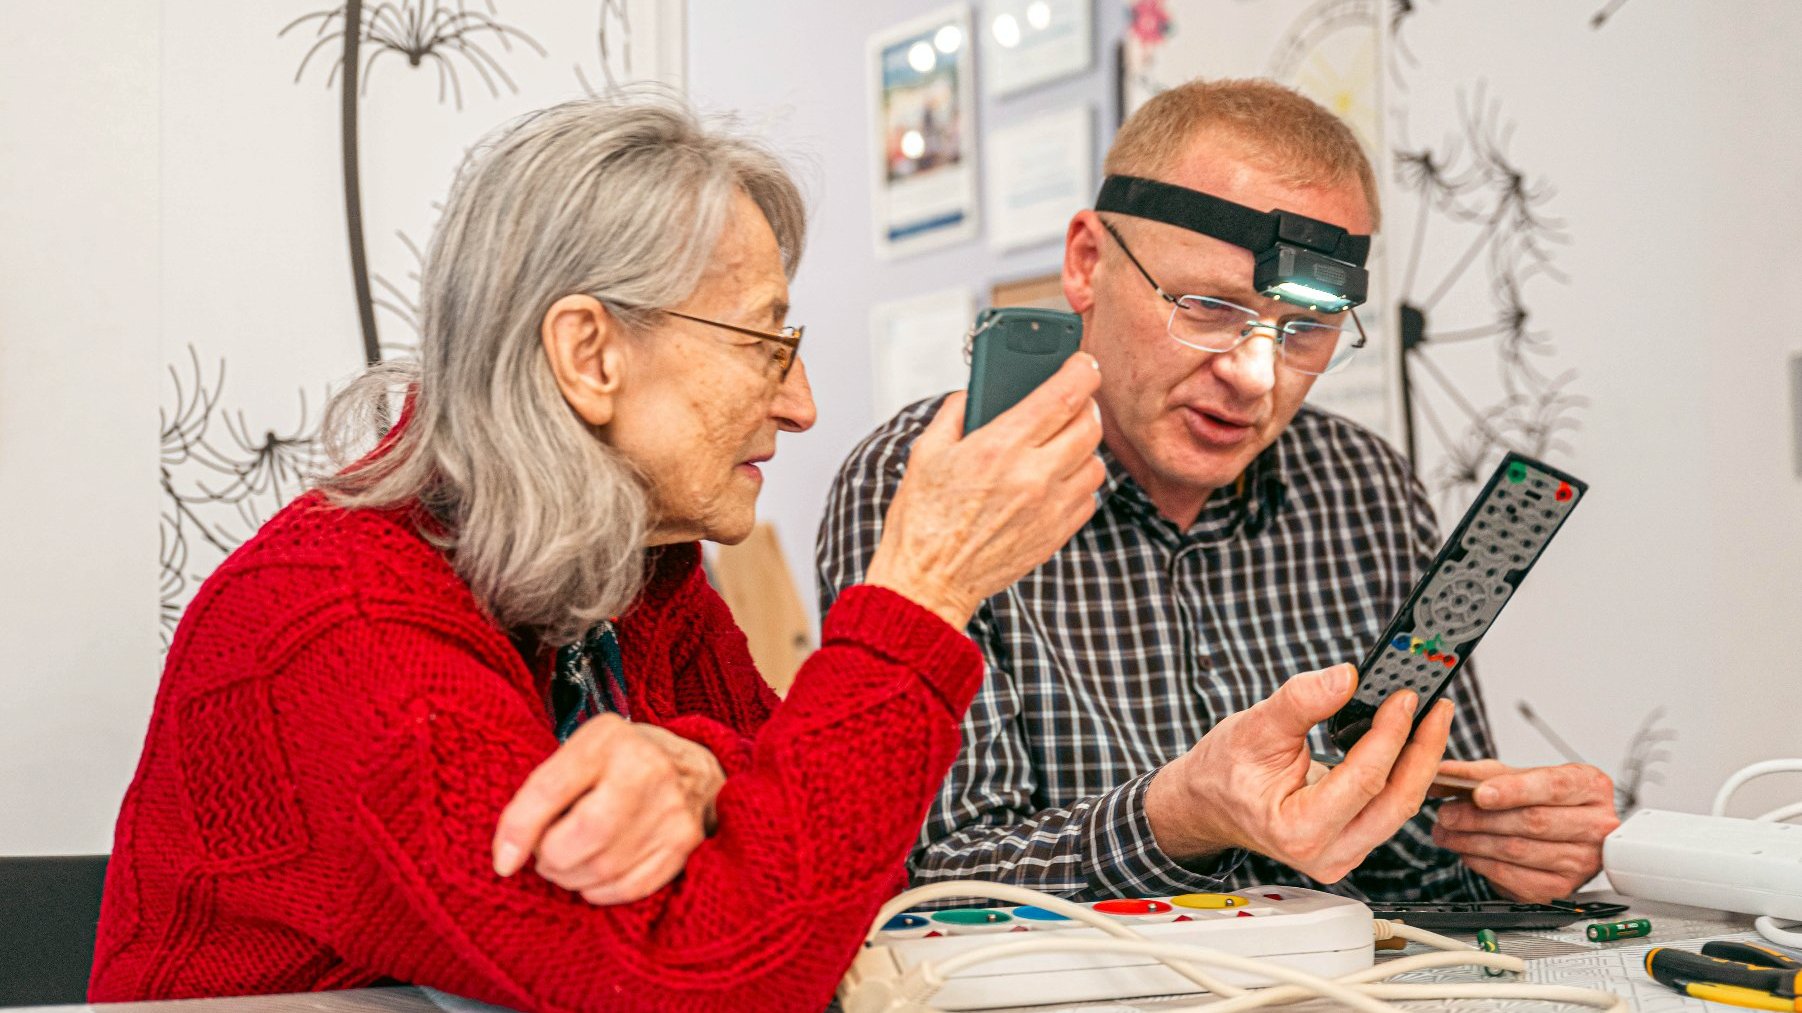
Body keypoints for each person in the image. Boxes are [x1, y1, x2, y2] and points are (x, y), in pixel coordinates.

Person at [90, 94, 1105, 1012]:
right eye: (763, 344)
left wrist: (706, 768)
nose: (799, 405)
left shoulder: (642, 576)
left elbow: (839, 884)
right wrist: (921, 591)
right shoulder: (335, 624)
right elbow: (697, 983)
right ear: (588, 354)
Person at [817, 78, 1619, 906]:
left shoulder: (1365, 488)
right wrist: (1181, 815)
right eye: (1207, 308)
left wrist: (1510, 853)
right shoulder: (930, 479)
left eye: (1305, 329)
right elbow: (923, 884)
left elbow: (1417, 868)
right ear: (1087, 263)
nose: (1255, 376)